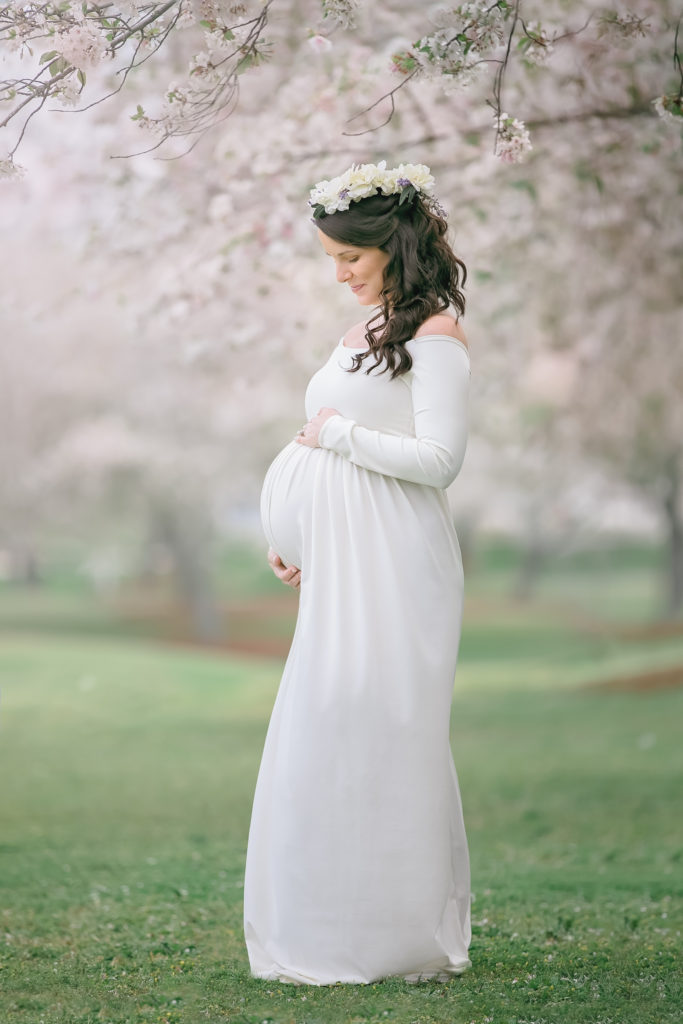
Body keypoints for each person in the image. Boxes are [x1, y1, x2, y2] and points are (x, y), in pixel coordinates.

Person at [243, 160, 473, 985]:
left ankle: (391, 938)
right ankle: (327, 923)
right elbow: (320, 439)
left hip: (397, 565)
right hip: (339, 565)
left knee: (381, 728)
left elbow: (438, 461)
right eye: (331, 259)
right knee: (328, 724)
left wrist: (334, 436)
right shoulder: (360, 330)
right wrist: (293, 530)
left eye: (349, 257)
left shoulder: (434, 335)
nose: (337, 273)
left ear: (391, 245)